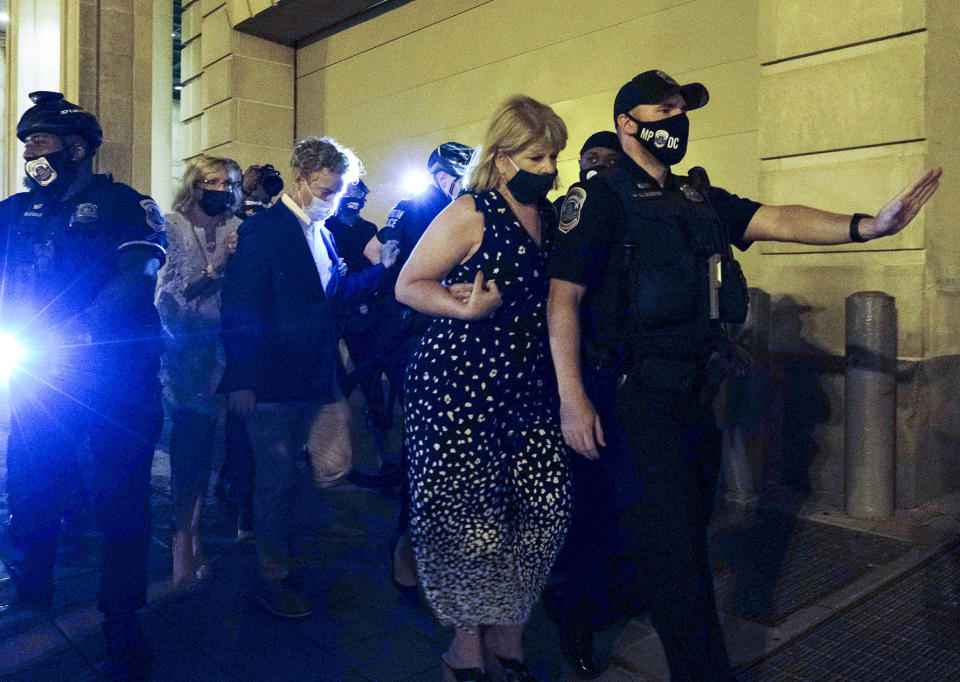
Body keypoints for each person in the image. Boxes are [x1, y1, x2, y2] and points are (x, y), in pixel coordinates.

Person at [546, 69, 942, 680]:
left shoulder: (697, 197)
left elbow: (779, 218)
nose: (677, 119)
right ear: (628, 123)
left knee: (678, 535)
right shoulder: (598, 199)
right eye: (664, 109)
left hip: (698, 394)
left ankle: (608, 605)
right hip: (637, 397)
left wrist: (869, 224)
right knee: (677, 554)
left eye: (682, 109)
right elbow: (563, 300)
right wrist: (574, 400)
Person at [396, 95, 572, 682]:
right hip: (456, 384)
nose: (548, 168)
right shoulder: (472, 211)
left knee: (545, 507)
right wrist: (462, 309)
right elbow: (408, 284)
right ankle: (466, 646)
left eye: (554, 157)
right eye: (537, 156)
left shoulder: (548, 217)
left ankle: (507, 626)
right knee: (469, 519)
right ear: (501, 158)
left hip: (527, 385)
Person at [1, 91, 166, 679]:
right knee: (31, 480)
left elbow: (138, 271)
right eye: (25, 146)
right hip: (34, 374)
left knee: (121, 500)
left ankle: (123, 620)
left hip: (111, 376)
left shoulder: (123, 204)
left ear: (76, 149)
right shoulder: (13, 212)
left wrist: (79, 330)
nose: (30, 155)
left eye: (39, 143)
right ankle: (34, 579)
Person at [220, 136, 398, 619]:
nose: (335, 198)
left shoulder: (322, 233)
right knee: (276, 480)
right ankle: (274, 574)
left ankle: (288, 542)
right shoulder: (266, 231)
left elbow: (331, 298)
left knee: (333, 465)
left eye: (341, 189)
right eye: (327, 188)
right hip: (273, 382)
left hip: (319, 377)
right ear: (300, 178)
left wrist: (382, 268)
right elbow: (241, 308)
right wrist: (242, 378)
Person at [375, 141, 475, 600]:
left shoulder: (468, 207)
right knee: (426, 449)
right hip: (418, 335)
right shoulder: (422, 206)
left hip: (459, 337)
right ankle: (407, 547)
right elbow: (383, 254)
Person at [155, 156, 243, 586]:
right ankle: (183, 536)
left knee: (214, 447)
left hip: (224, 349)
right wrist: (218, 269)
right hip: (181, 349)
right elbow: (169, 297)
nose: (221, 188)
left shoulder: (237, 228)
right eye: (212, 180)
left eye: (229, 182)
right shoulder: (170, 226)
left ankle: (200, 526)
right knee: (188, 445)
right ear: (195, 185)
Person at [325, 179, 394, 465]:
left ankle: (382, 452)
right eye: (349, 193)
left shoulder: (368, 230)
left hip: (362, 310)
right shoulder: (327, 227)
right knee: (334, 382)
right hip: (334, 312)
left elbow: (374, 267)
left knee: (369, 381)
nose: (354, 199)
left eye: (359, 194)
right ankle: (324, 446)